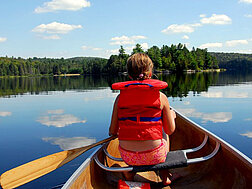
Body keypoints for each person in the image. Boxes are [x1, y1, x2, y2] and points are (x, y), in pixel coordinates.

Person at [109, 53, 176, 185]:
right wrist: (172, 117)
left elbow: (112, 131)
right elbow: (170, 130)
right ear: (150, 73)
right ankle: (164, 174)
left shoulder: (119, 98)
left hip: (128, 157)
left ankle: (130, 171)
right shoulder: (161, 97)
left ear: (129, 76)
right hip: (155, 155)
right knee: (164, 132)